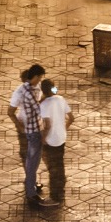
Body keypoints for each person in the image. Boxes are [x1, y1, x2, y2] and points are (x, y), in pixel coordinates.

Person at [8, 64, 46, 207]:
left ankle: (31, 183)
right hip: (30, 129)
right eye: (40, 77)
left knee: (33, 160)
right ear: (34, 77)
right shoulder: (22, 92)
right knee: (31, 160)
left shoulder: (37, 86)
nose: (40, 80)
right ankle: (31, 192)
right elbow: (10, 111)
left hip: (36, 126)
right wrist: (20, 126)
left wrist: (53, 91)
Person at [37, 76, 71, 206]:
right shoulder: (61, 99)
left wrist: (43, 138)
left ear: (42, 91)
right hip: (61, 137)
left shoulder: (44, 105)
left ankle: (55, 198)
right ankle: (61, 186)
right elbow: (71, 118)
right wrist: (64, 128)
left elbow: (47, 124)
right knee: (59, 164)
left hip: (51, 140)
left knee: (53, 168)